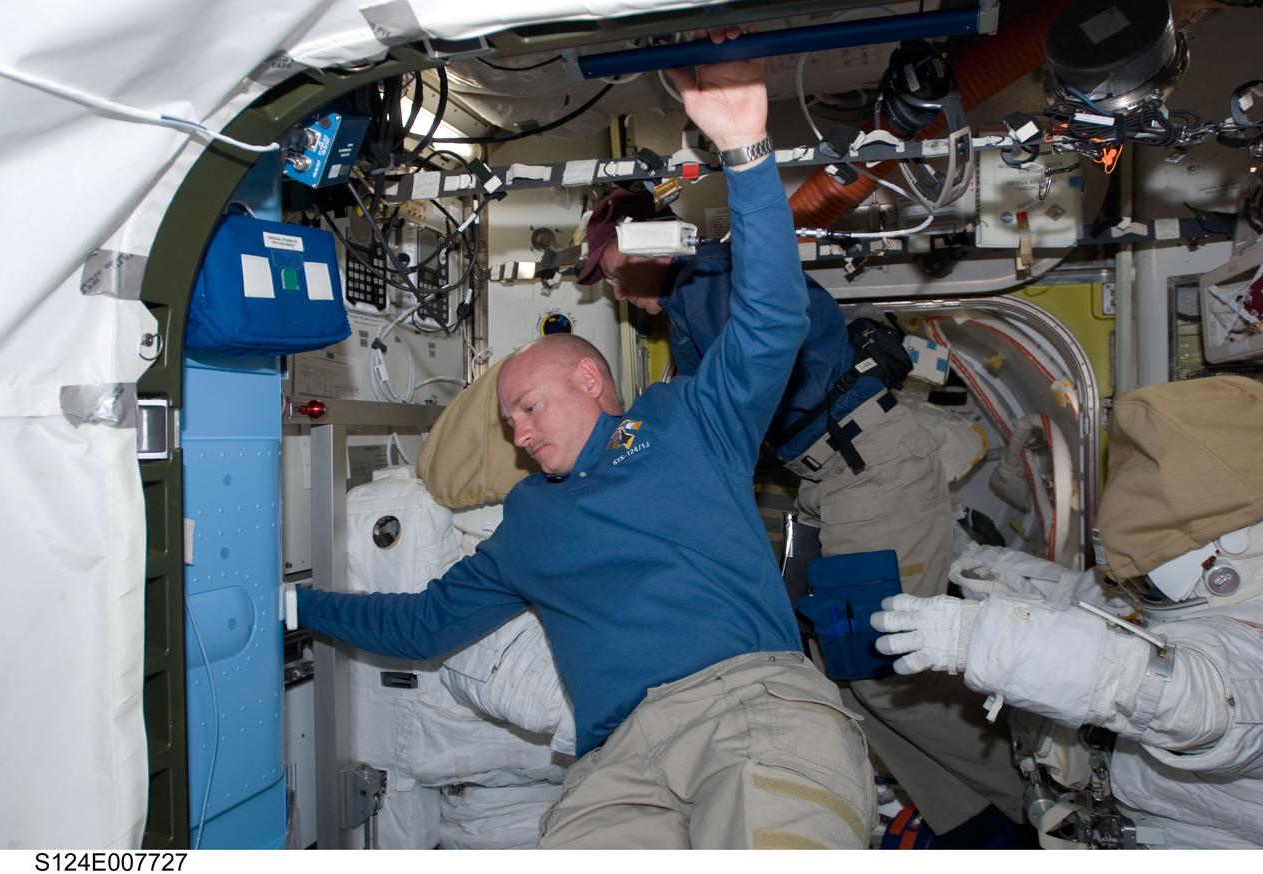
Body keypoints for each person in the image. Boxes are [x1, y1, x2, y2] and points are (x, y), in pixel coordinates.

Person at [291, 32, 876, 850]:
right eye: (509, 424)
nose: (520, 437)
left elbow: (774, 318)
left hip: (751, 708)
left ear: (592, 384)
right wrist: (294, 604)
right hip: (620, 759)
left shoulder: (686, 422)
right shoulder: (527, 522)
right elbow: (424, 626)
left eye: (528, 408)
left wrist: (745, 149)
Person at [577, 187, 1028, 847]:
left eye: (614, 272)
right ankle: (974, 821)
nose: (615, 292)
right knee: (832, 673)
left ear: (648, 244)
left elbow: (727, 413)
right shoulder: (691, 304)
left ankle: (1028, 791)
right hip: (830, 478)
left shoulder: (713, 278)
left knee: (882, 663)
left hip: (869, 468)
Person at [871, 375, 1263, 849]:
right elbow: (1088, 602)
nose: (1142, 587)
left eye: (1156, 573)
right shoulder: (1182, 605)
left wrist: (983, 637)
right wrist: (968, 558)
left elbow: (1184, 695)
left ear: (1231, 557)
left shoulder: (1239, 661)